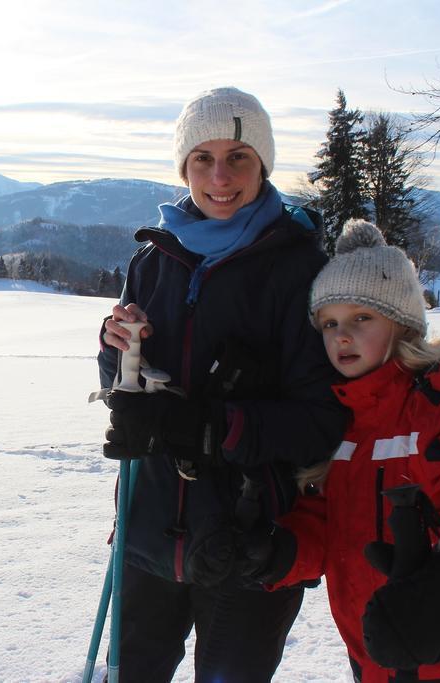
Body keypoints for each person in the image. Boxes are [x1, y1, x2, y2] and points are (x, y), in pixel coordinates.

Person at [97, 87, 346, 682]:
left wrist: (213, 430)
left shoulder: (300, 268)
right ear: (184, 166)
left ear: (263, 164)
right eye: (202, 158)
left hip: (251, 543)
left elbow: (323, 420)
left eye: (239, 157)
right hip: (149, 530)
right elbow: (122, 385)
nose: (220, 176)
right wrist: (115, 354)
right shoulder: (154, 258)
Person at [244, 219, 440, 682]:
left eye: (361, 318)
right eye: (329, 323)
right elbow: (331, 525)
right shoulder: (344, 419)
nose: (341, 336)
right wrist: (277, 552)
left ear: (403, 323)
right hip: (380, 653)